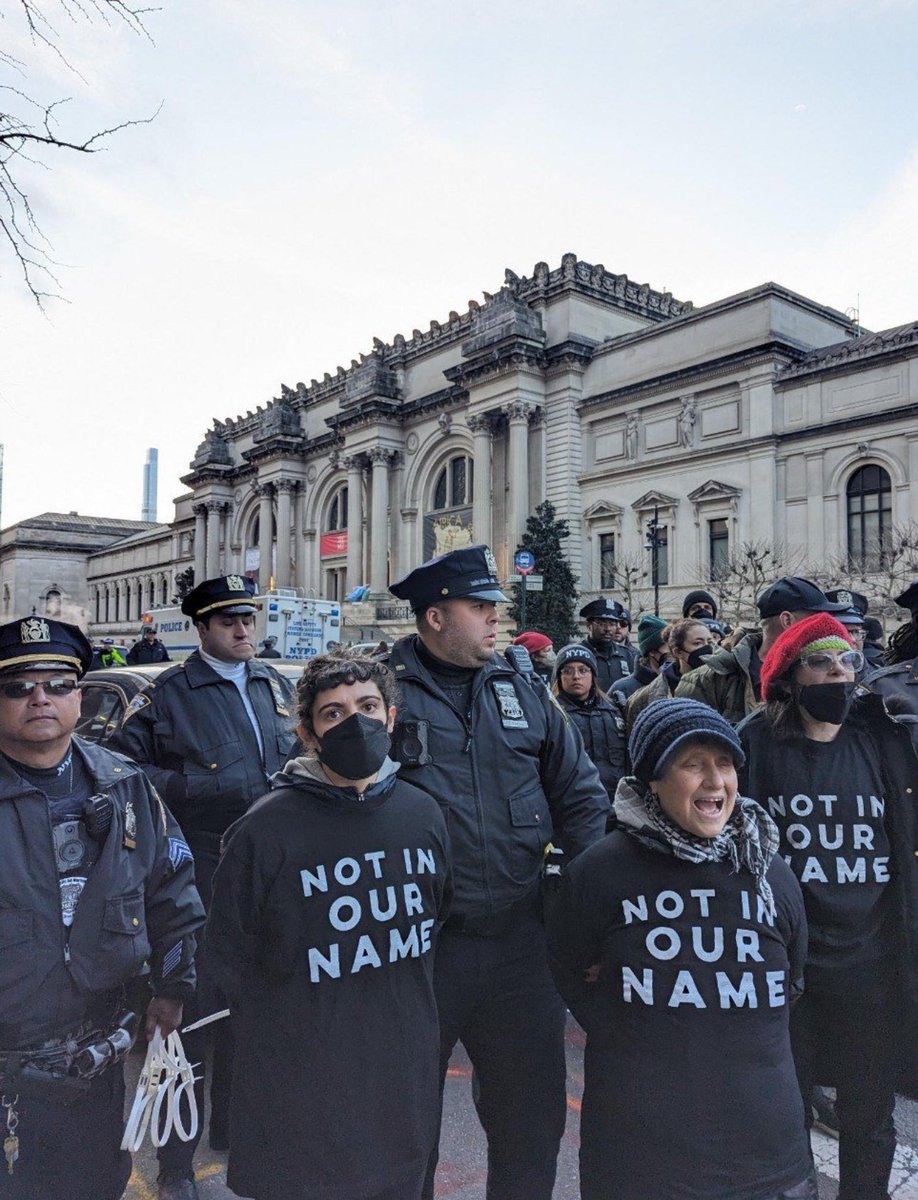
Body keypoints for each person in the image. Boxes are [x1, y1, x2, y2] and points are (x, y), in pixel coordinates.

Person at [387, 544, 609, 1200]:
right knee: (404, 1126)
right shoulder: (380, 692)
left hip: (520, 944)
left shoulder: (520, 690)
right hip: (422, 950)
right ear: (433, 616)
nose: (494, 619)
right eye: (479, 607)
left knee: (530, 1121)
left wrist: (584, 909)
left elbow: (581, 797)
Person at [205, 654, 451, 1200]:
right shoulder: (265, 829)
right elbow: (227, 957)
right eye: (333, 713)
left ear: (390, 718)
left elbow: (438, 918)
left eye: (367, 707)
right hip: (300, 1085)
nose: (355, 723)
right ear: (308, 734)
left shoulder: (423, 813)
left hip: (398, 1077)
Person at [548, 698, 813, 1200]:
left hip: (766, 1155)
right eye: (692, 764)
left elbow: (791, 982)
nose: (715, 781)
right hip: (641, 1155)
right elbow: (569, 970)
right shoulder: (601, 871)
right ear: (652, 779)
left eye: (725, 763)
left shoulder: (770, 872)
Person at [0, 616, 204, 1200]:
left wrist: (171, 989)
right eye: (17, 687)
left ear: (80, 698)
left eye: (57, 685)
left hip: (92, 1059)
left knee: (89, 1184)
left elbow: (171, 891)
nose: (40, 698)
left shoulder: (123, 784)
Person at [109, 574, 298, 1200]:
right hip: (201, 873)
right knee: (187, 1021)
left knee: (255, 1011)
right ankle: (175, 1168)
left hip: (270, 872)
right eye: (228, 622)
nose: (243, 630)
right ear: (202, 630)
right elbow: (122, 770)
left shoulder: (273, 684)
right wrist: (197, 788)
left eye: (248, 619)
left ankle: (233, 1128)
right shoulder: (169, 693)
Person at [739, 613, 918, 1200]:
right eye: (821, 663)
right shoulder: (754, 744)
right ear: (790, 678)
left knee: (870, 1120)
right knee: (782, 1116)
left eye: (849, 662)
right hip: (791, 974)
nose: (839, 674)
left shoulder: (881, 739)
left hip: (873, 967)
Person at [676, 576, 847, 724]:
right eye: (817, 618)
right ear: (787, 620)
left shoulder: (826, 672)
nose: (827, 625)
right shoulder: (706, 681)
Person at [552, 644, 628, 803]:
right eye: (568, 671)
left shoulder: (615, 710)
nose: (576, 676)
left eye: (583, 670)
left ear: (593, 675)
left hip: (618, 802)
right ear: (559, 677)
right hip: (575, 805)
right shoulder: (551, 713)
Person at [627, 617, 713, 730]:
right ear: (678, 652)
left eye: (710, 642)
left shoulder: (724, 682)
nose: (707, 648)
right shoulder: (647, 696)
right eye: (697, 643)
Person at [579, 597, 638, 690]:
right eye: (601, 623)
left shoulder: (629, 655)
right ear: (589, 625)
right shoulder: (577, 654)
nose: (607, 629)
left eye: (612, 624)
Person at [612, 614, 670, 705]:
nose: (674, 652)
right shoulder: (622, 688)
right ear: (651, 651)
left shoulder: (681, 681)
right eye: (669, 646)